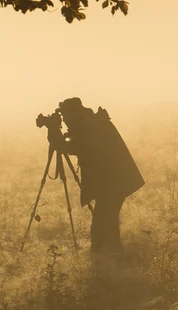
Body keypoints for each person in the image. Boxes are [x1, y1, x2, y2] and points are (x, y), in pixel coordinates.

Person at [48, 97, 145, 254]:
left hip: (113, 182)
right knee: (106, 222)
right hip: (113, 181)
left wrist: (54, 136)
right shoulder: (90, 122)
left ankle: (106, 258)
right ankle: (111, 257)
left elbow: (73, 146)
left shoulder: (89, 126)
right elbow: (74, 143)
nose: (65, 121)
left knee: (102, 225)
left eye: (66, 117)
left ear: (74, 114)